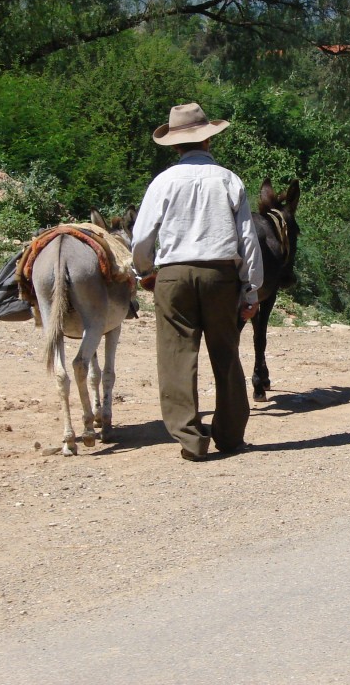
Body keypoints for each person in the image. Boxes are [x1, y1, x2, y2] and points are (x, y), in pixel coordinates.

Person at [131, 103, 263, 462]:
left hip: (173, 276)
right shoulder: (228, 179)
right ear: (208, 140)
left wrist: (144, 272)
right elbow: (247, 239)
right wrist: (250, 288)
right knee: (226, 353)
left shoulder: (163, 182)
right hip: (220, 275)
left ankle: (191, 440)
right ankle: (230, 436)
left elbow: (142, 237)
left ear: (174, 146)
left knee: (176, 356)